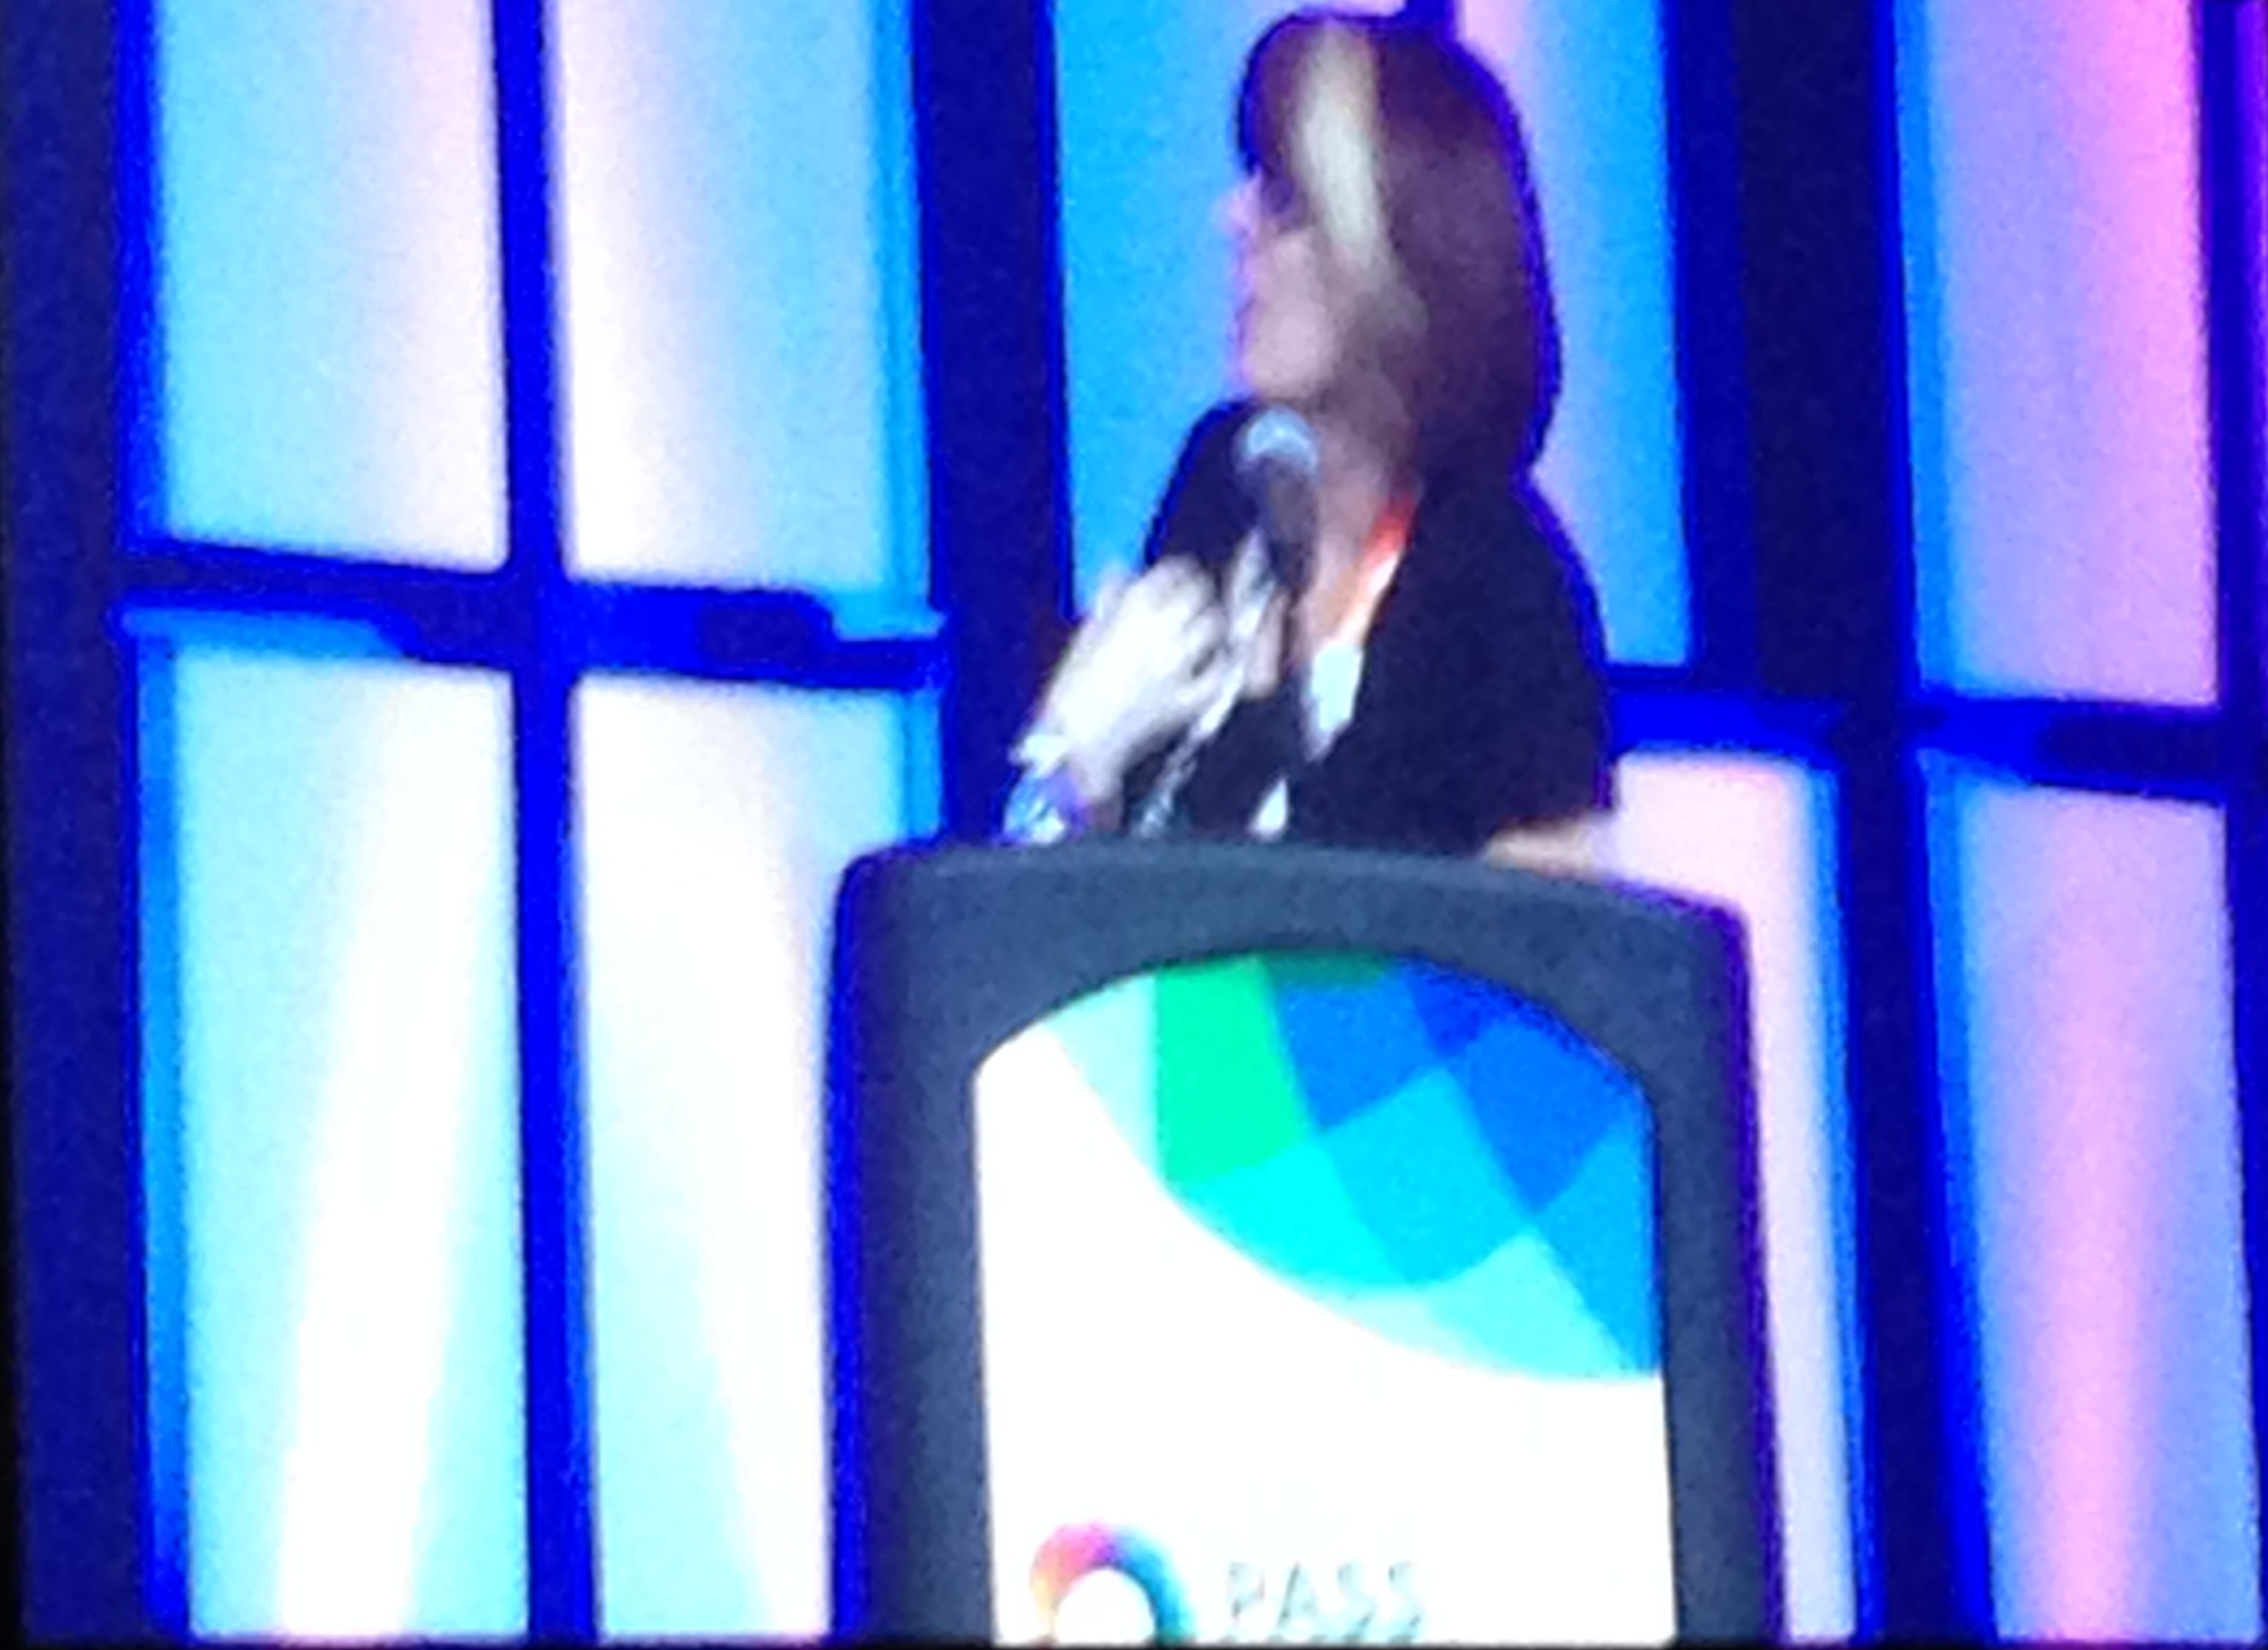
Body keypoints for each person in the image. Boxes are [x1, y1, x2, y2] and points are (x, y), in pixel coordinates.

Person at [1006, 8, 1612, 861]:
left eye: (1285, 202)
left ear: (1399, 257)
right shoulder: (1222, 484)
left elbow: (1553, 933)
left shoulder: (1501, 582)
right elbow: (1067, 902)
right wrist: (1072, 757)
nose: (1232, 218)